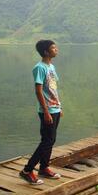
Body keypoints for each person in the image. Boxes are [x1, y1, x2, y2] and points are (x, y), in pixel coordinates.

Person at [20, 40, 62, 184]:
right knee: (46, 141)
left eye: (55, 47)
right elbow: (38, 91)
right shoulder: (39, 68)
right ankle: (27, 170)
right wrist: (46, 111)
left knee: (51, 140)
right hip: (47, 110)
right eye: (53, 48)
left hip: (55, 108)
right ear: (45, 52)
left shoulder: (51, 67)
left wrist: (59, 107)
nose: (56, 49)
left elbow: (52, 88)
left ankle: (44, 168)